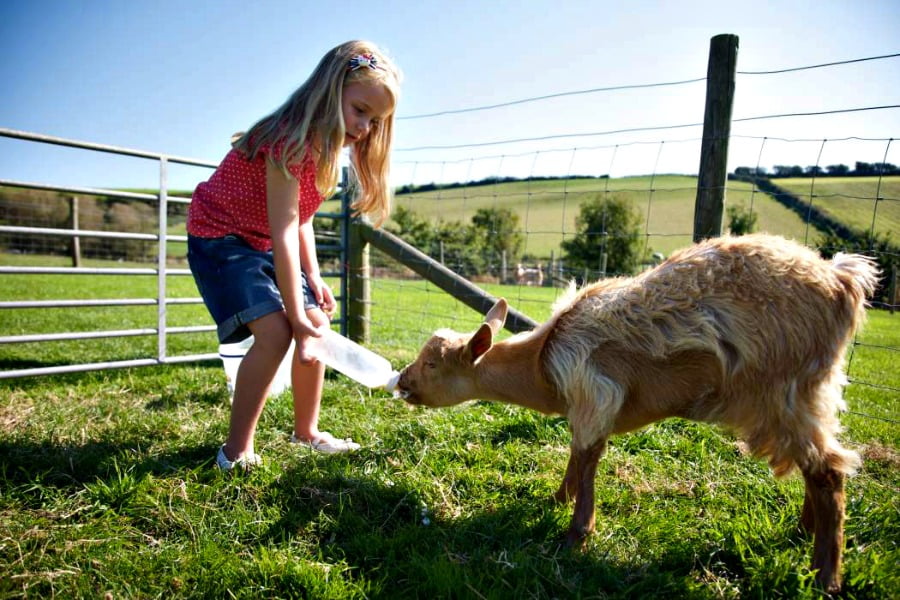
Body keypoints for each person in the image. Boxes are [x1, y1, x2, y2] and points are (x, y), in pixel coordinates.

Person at [186, 40, 401, 470]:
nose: (365, 127)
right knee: (277, 333)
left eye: (375, 120)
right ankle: (235, 451)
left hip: (263, 240)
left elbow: (300, 218)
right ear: (330, 89)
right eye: (360, 110)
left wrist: (313, 278)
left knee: (317, 325)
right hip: (222, 239)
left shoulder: (325, 150)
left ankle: (307, 432)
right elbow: (283, 226)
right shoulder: (289, 141)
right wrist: (295, 317)